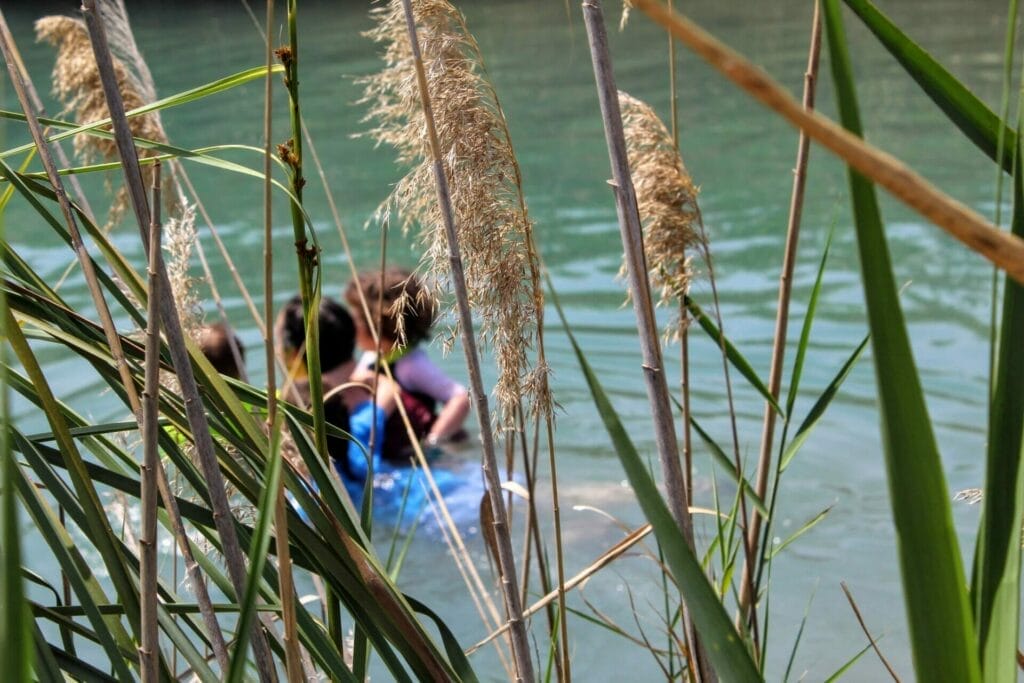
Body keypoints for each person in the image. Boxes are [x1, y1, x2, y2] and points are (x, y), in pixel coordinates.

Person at [344, 268, 470, 458]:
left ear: (378, 325)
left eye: (356, 319)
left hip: (417, 450)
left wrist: (432, 442)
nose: (351, 326)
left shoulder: (411, 364)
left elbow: (460, 398)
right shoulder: (372, 356)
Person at [273, 295, 400, 482]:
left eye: (277, 342)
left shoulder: (294, 412)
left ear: (293, 354)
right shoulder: (367, 408)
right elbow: (391, 388)